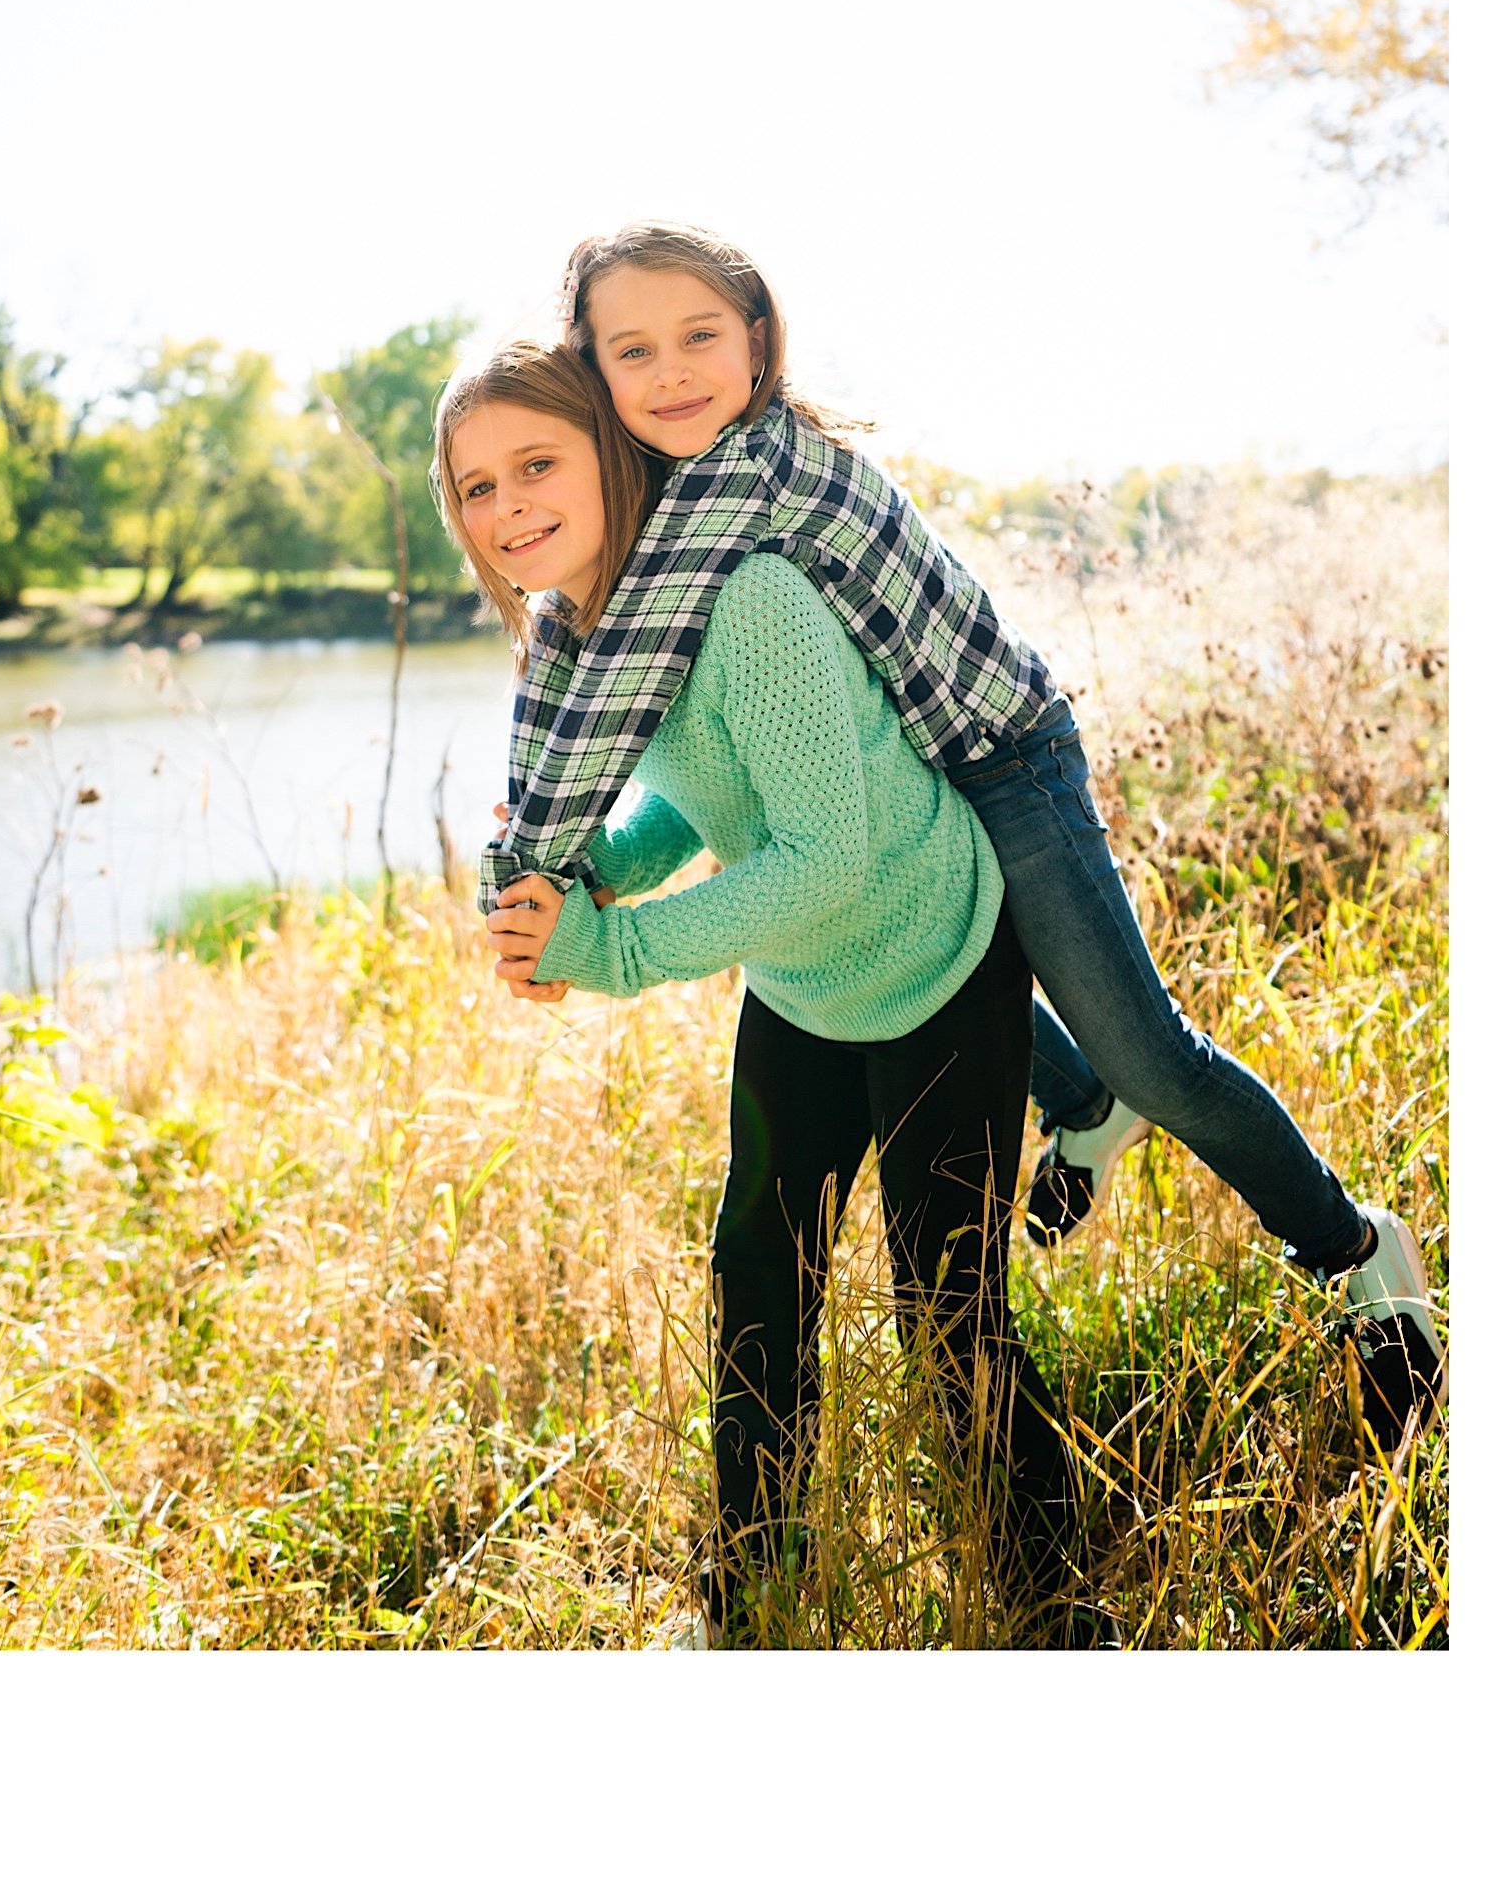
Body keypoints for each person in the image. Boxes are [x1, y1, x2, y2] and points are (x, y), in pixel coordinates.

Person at [478, 222, 1446, 1448]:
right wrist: (566, 872)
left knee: (1152, 1054)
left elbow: (604, 675)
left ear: (759, 339)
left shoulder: (744, 473)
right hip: (911, 791)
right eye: (631, 349)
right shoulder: (668, 501)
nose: (671, 371)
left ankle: (1354, 1251)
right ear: (592, 368)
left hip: (1005, 756)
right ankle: (1081, 1104)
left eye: (699, 337)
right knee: (946, 942)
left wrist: (543, 873)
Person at [437, 339, 1074, 1647]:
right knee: (756, 1281)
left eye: (538, 463)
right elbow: (703, 789)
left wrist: (611, 951)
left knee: (946, 1313)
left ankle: (1056, 1603)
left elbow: (825, 853)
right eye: (476, 486)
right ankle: (751, 1594)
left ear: (614, 452)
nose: (509, 507)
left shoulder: (753, 600)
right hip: (802, 983)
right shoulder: (596, 631)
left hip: (935, 953)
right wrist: (601, 871)